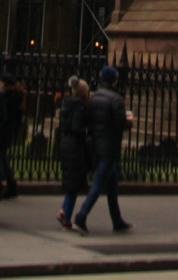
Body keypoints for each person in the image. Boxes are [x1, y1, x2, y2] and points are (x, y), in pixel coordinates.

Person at [74, 64, 132, 234]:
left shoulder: (94, 97)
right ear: (114, 80)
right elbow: (120, 123)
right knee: (99, 183)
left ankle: (117, 220)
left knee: (112, 183)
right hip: (109, 146)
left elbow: (89, 120)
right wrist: (129, 122)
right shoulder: (116, 99)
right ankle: (81, 216)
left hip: (97, 144)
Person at [57, 77, 90, 230]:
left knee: (71, 182)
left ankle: (63, 211)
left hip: (65, 143)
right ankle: (67, 219)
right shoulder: (79, 106)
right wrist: (88, 130)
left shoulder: (67, 104)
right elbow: (77, 128)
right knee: (74, 186)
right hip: (74, 147)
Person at [0, 72, 25, 199]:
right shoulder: (16, 97)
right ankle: (12, 186)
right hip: (10, 130)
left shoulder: (6, 97)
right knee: (3, 158)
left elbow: (2, 115)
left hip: (2, 130)